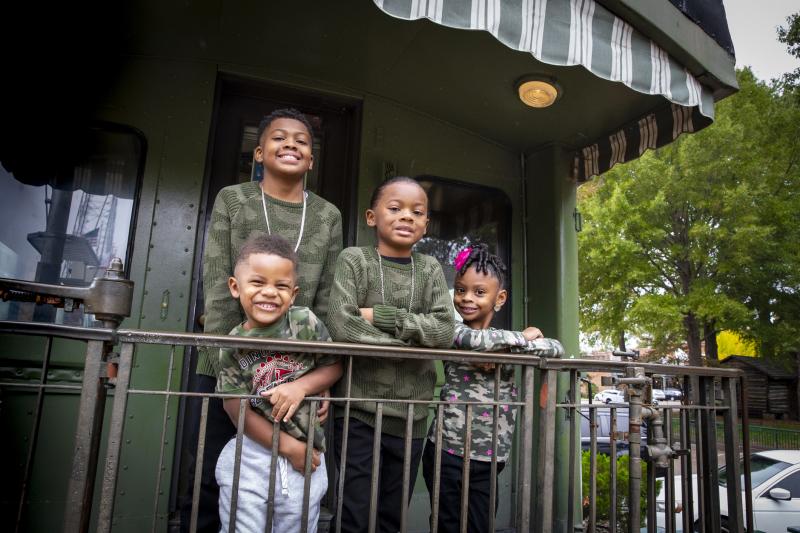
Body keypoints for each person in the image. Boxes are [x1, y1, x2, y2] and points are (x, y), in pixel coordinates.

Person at [182, 108, 343, 532]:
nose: (291, 144)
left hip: (296, 371)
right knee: (213, 473)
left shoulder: (327, 215)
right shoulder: (233, 199)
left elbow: (325, 299)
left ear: (312, 160)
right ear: (258, 152)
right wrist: (223, 362)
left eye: (301, 141)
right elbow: (218, 286)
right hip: (232, 362)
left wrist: (318, 378)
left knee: (293, 475)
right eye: (278, 137)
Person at [327, 176, 455, 532]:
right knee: (354, 513)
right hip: (358, 412)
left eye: (417, 212)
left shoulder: (430, 269)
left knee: (391, 517)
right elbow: (342, 324)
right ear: (371, 217)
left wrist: (382, 317)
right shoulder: (355, 260)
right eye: (395, 208)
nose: (407, 216)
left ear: (426, 224)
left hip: (412, 416)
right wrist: (412, 348)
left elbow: (445, 331)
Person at [423, 243, 563, 533]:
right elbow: (475, 342)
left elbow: (555, 348)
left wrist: (507, 349)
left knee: (480, 525)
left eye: (479, 292)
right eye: (460, 290)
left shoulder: (505, 342)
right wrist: (523, 338)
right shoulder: (452, 330)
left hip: (489, 456)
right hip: (446, 451)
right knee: (446, 524)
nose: (466, 298)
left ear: (500, 298)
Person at [215, 234, 343, 533]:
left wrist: (302, 387)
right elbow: (235, 408)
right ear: (235, 287)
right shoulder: (232, 343)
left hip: (307, 451)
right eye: (258, 283)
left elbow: (333, 364)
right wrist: (286, 447)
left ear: (294, 294)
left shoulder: (304, 322)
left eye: (281, 286)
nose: (270, 292)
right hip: (254, 451)